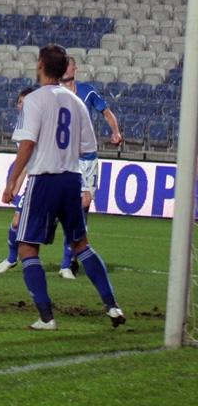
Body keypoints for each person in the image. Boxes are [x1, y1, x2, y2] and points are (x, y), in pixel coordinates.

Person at [1, 44, 126, 330]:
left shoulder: (34, 100)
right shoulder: (76, 102)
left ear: (41, 66)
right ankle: (112, 306)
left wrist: (12, 181)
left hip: (44, 179)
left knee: (28, 249)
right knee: (81, 245)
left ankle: (47, 318)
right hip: (72, 179)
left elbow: (28, 143)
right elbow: (87, 149)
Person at [57, 55, 123, 280]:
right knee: (69, 206)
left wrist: (115, 131)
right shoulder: (55, 94)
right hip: (65, 159)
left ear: (75, 69)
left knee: (84, 205)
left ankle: (69, 262)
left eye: (68, 65)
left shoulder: (88, 91)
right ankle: (67, 260)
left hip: (88, 159)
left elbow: (105, 111)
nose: (65, 69)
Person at [0, 87, 34, 274]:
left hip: (49, 178)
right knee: (17, 222)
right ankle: (11, 258)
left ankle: (68, 264)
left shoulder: (38, 123)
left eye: (26, 102)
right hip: (33, 180)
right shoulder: (20, 126)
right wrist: (16, 185)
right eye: (19, 102)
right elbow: (25, 160)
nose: (22, 105)